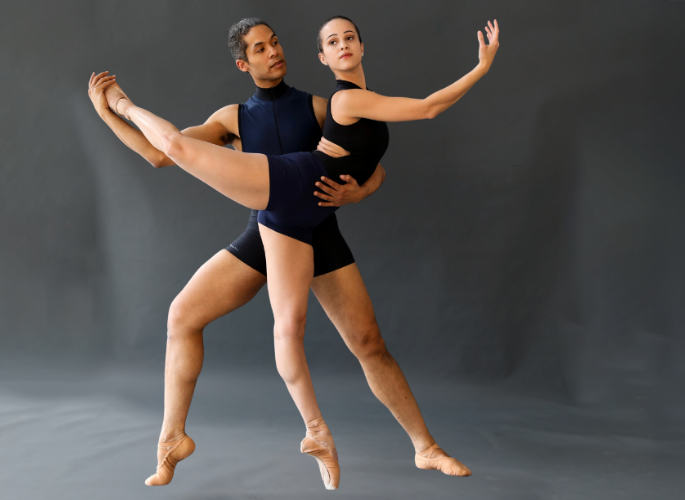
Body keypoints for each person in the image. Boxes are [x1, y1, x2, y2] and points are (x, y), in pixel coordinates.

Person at [94, 15, 498, 490]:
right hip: (266, 229)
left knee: (368, 343)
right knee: (182, 315)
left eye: (276, 42)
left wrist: (358, 193)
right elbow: (158, 154)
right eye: (260, 49)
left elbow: (368, 159)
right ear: (244, 64)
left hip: (316, 229)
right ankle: (171, 438)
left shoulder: (322, 105)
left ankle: (425, 447)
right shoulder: (233, 118)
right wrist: (108, 112)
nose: (273, 52)